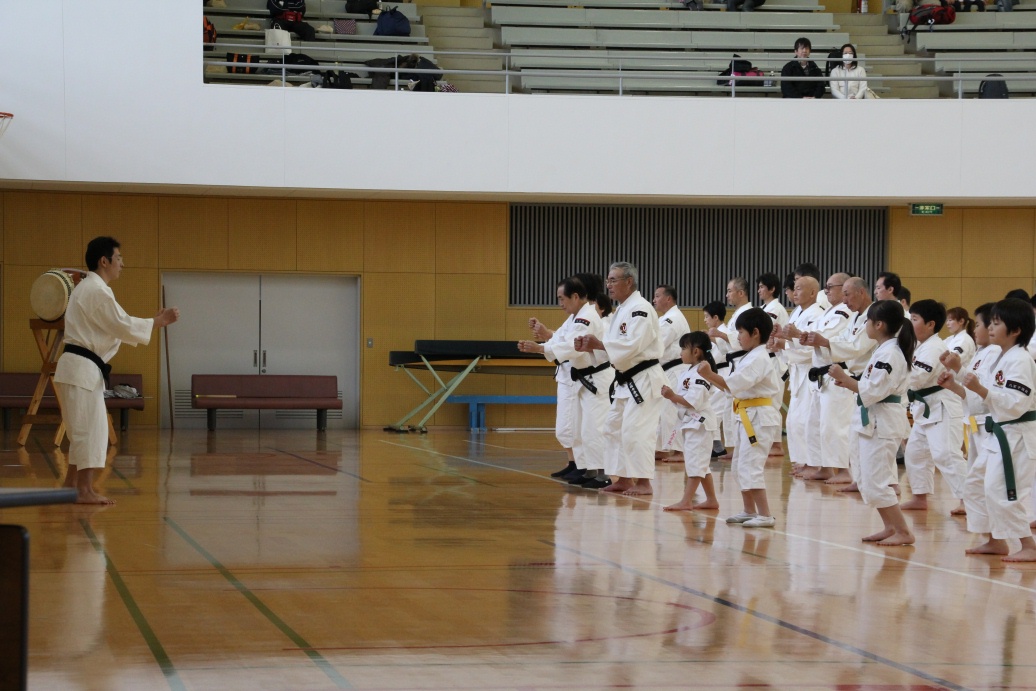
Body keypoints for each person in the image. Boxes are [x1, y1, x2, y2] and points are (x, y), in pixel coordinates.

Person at [53, 236, 180, 505]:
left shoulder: (92, 289)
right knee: (89, 431)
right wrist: (158, 321)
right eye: (119, 258)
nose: (122, 264)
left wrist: (153, 321)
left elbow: (116, 326)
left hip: (82, 370)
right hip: (80, 370)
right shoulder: (95, 290)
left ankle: (71, 486)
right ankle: (83, 490)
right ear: (104, 261)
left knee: (84, 430)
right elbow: (121, 324)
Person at [828, 300, 916, 546]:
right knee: (867, 480)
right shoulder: (884, 350)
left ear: (879, 324)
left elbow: (874, 390)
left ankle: (903, 531)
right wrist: (849, 382)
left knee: (877, 480)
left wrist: (846, 379)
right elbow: (870, 386)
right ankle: (890, 527)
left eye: (867, 321)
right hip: (873, 419)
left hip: (883, 422)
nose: (864, 325)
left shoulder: (890, 354)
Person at [575, 262, 666, 496]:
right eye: (608, 280)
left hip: (643, 379)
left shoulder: (641, 309)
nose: (608, 285)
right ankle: (624, 478)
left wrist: (599, 344)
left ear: (629, 281)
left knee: (637, 432)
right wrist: (591, 347)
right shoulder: (621, 311)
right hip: (625, 380)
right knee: (613, 429)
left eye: (613, 280)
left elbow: (632, 345)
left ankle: (644, 482)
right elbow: (612, 348)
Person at [955, 299, 1036, 561]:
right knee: (975, 485)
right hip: (999, 434)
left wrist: (981, 389)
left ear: (1016, 330)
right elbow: (983, 400)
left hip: (1016, 435)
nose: (990, 327)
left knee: (1001, 490)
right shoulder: (1000, 358)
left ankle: (1029, 545)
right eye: (990, 322)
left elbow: (1016, 404)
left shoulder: (1020, 360)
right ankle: (995, 540)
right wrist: (966, 383)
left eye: (997, 323)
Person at [699, 308, 783, 528]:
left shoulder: (759, 358)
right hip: (746, 414)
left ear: (755, 333)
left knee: (751, 465)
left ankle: (765, 514)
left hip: (759, 418)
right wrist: (711, 377)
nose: (738, 337)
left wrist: (709, 375)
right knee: (739, 465)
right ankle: (749, 510)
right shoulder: (749, 357)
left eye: (741, 332)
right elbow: (731, 388)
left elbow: (734, 384)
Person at [519, 277, 595, 485]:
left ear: (576, 296)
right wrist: (545, 334)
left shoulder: (586, 317)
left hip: (586, 377)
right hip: (573, 375)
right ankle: (577, 464)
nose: (560, 303)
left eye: (562, 298)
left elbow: (572, 346)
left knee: (579, 427)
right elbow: (561, 338)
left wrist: (540, 348)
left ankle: (588, 469)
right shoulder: (574, 318)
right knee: (569, 427)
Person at [804, 276, 876, 486]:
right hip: (850, 378)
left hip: (861, 379)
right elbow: (842, 340)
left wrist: (825, 342)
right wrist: (822, 341)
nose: (844, 300)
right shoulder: (856, 317)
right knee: (831, 427)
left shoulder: (873, 317)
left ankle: (847, 471)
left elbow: (857, 348)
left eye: (847, 294)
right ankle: (839, 471)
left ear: (861, 292)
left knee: (841, 427)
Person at [901, 299, 967, 512]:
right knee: (915, 453)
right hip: (924, 408)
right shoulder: (919, 346)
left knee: (946, 455)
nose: (910, 323)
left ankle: (968, 500)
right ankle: (920, 498)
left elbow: (918, 378)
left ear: (930, 324)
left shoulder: (935, 347)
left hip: (942, 407)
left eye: (914, 319)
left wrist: (894, 377)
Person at [938, 303, 996, 520]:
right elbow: (972, 394)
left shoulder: (997, 354)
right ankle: (986, 527)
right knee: (976, 477)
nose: (975, 329)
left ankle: (996, 528)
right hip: (976, 421)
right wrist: (953, 386)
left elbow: (986, 395)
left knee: (987, 478)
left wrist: (958, 369)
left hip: (990, 424)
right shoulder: (981, 353)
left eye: (978, 324)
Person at [798, 273, 853, 481]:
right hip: (820, 375)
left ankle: (845, 470)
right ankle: (825, 467)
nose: (826, 290)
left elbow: (824, 337)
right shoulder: (828, 311)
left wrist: (801, 336)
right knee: (815, 423)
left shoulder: (844, 311)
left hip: (835, 373)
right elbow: (811, 333)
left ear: (844, 287)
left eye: (830, 286)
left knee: (835, 425)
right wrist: (799, 335)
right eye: (826, 287)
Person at [661, 332, 720, 512]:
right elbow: (683, 400)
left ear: (696, 351)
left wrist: (672, 396)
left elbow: (694, 401)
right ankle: (711, 500)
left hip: (699, 424)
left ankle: (686, 501)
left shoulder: (702, 372)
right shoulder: (688, 371)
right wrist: (672, 396)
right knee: (699, 463)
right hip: (690, 422)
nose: (680, 352)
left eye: (683, 348)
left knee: (695, 463)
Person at [771, 276, 824, 475]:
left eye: (799, 288)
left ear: (813, 292)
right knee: (794, 420)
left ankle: (814, 462)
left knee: (807, 421)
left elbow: (812, 348)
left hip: (810, 372)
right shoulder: (796, 313)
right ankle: (802, 460)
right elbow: (792, 342)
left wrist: (787, 342)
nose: (795, 292)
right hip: (796, 372)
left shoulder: (818, 314)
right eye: (794, 288)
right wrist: (780, 340)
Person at [653, 284, 691, 461]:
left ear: (668, 298)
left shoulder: (672, 319)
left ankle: (679, 451)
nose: (654, 300)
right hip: (667, 370)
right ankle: (663, 448)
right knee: (663, 411)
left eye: (657, 296)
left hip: (675, 370)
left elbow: (658, 345)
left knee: (671, 411)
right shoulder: (667, 318)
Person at [703, 301, 730, 458]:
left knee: (714, 411)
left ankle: (718, 448)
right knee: (713, 411)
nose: (705, 320)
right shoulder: (714, 333)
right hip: (716, 374)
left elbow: (717, 356)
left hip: (724, 373)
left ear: (715, 317)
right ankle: (716, 446)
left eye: (707, 317)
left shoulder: (723, 332)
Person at [945, 306, 977, 372]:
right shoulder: (950, 339)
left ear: (961, 321)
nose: (947, 323)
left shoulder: (964, 340)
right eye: (947, 320)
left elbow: (952, 360)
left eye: (950, 320)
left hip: (960, 377)